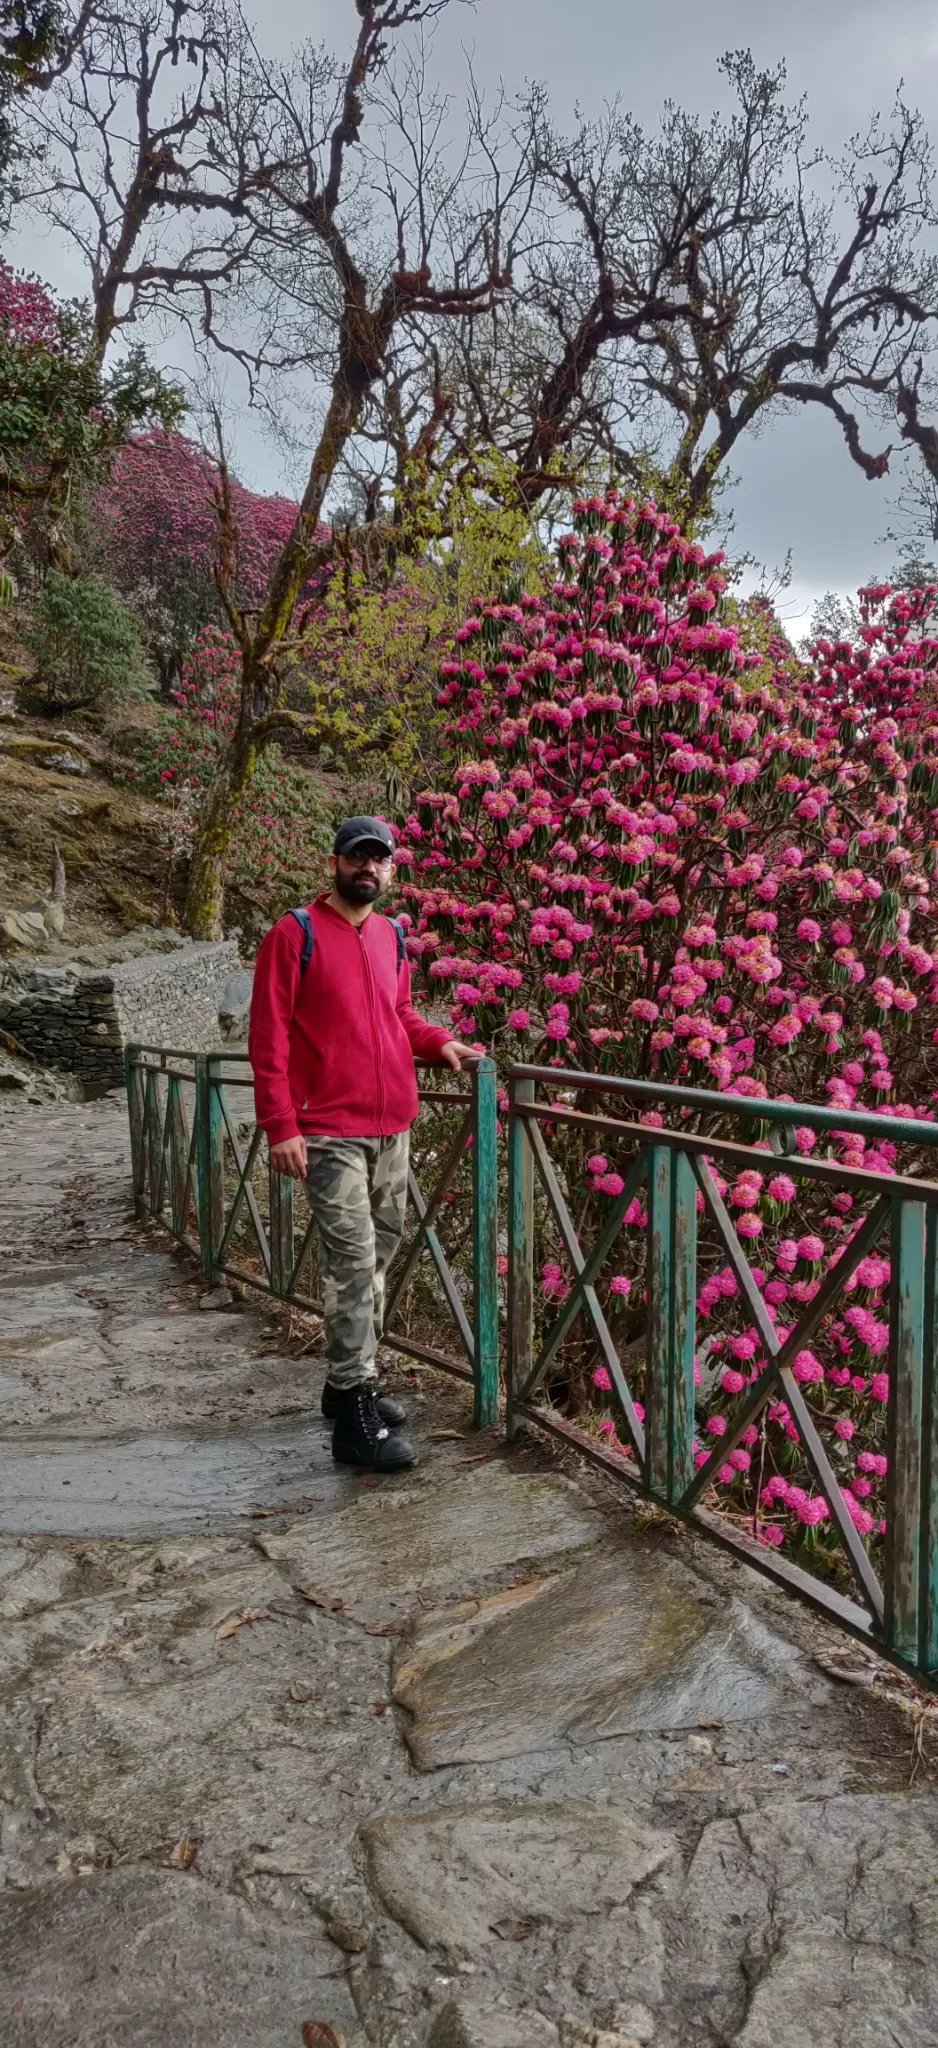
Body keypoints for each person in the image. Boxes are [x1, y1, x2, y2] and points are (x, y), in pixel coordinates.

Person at [248, 816, 474, 1472]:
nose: (366, 869)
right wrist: (281, 1125)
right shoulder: (295, 934)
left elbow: (397, 1015)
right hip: (328, 1131)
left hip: (392, 1125)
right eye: (356, 858)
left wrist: (438, 1041)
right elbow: (268, 1035)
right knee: (352, 1263)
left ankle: (348, 1377)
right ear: (335, 863)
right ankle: (353, 1414)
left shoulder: (392, 935)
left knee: (378, 1256)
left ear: (392, 871)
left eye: (379, 860)